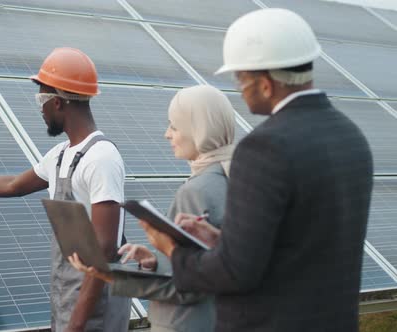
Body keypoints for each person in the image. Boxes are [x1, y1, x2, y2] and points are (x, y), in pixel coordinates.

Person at [136, 8, 373, 332]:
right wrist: (219, 239)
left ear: (265, 84)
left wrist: (173, 251)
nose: (238, 86)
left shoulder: (264, 148)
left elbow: (236, 272)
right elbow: (297, 246)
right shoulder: (351, 136)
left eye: (241, 77)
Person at [0, 47, 131, 332]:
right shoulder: (61, 155)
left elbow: (105, 249)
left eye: (41, 99)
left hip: (94, 310)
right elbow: (13, 185)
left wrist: (76, 323)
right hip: (70, 299)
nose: (39, 109)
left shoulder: (101, 158)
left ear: (58, 102)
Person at [70, 85, 237, 332]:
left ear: (199, 130)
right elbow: (209, 267)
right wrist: (154, 260)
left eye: (175, 126)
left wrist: (109, 274)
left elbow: (188, 287)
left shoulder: (196, 191)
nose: (167, 134)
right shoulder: (235, 179)